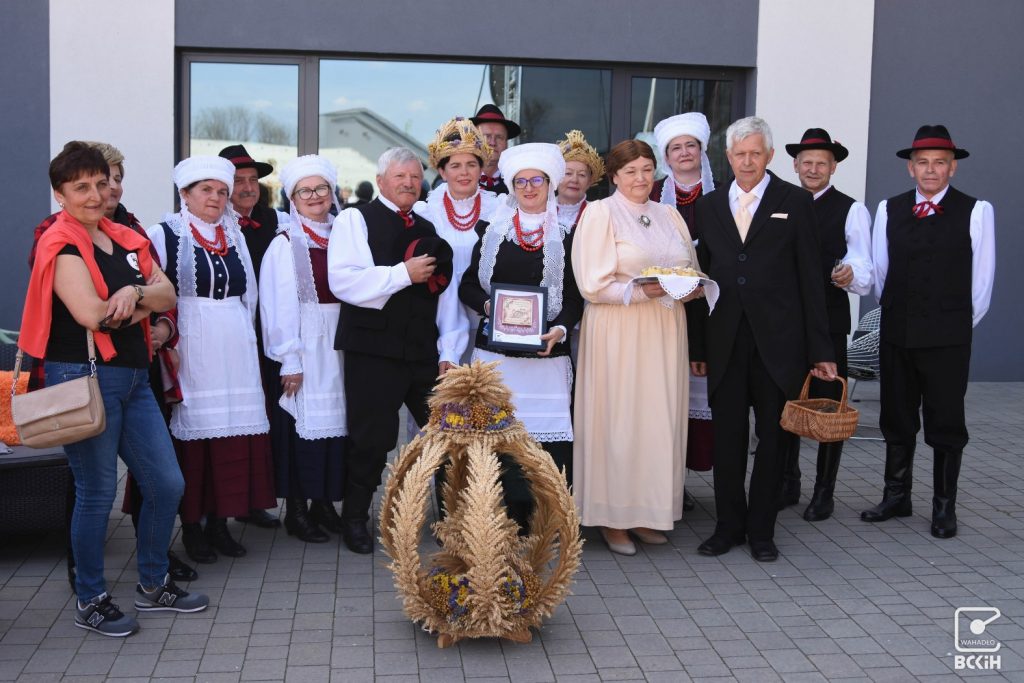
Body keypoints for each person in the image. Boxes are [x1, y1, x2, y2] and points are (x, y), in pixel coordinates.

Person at [20, 142, 207, 636]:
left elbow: (169, 293)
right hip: (82, 379)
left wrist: (135, 294)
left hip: (134, 378)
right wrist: (133, 297)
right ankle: (91, 597)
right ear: (60, 194)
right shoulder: (58, 241)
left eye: (101, 183)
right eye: (80, 186)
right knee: (97, 492)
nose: (94, 194)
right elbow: (93, 315)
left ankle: (152, 583)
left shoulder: (125, 235)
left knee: (166, 482)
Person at [689, 116, 835, 562]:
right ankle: (728, 526)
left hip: (780, 344)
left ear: (770, 156)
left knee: (774, 440)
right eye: (739, 154)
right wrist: (697, 348)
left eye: (755, 153)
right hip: (725, 342)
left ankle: (762, 530)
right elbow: (699, 282)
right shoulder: (710, 205)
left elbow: (812, 280)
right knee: (729, 438)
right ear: (728, 158)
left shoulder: (795, 201)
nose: (747, 161)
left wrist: (820, 351)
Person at [862, 125, 995, 539]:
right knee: (896, 416)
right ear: (910, 168)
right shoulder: (889, 208)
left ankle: (943, 507)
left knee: (945, 420)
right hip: (898, 332)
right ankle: (897, 496)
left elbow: (982, 284)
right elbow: (882, 273)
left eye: (940, 163)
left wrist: (951, 323)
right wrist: (901, 315)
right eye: (923, 162)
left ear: (952, 168)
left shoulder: (977, 211)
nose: (931, 170)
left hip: (948, 337)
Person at [572, 140, 703, 556]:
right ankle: (613, 519)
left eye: (647, 169)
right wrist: (642, 289)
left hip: (665, 327)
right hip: (619, 330)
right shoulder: (600, 213)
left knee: (656, 418)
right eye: (631, 171)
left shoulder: (669, 214)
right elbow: (591, 283)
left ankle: (649, 512)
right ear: (613, 176)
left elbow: (688, 267)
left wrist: (690, 287)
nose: (641, 178)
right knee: (620, 418)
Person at [328, 147, 461, 554]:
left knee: (444, 436)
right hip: (372, 348)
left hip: (420, 349)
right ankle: (355, 518)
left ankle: (453, 522)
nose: (408, 183)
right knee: (371, 438)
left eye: (415, 177)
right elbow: (343, 281)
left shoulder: (428, 222)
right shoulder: (355, 218)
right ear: (382, 179)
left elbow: (444, 293)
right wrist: (403, 274)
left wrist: (447, 347)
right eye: (400, 176)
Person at [147, 155, 276, 563]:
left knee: (232, 435)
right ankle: (193, 527)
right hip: (192, 345)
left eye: (222, 191)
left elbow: (250, 296)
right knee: (196, 438)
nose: (216, 198)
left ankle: (222, 522)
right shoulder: (164, 234)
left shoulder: (234, 234)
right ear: (185, 193)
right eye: (206, 190)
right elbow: (151, 294)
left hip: (234, 344)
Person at [459, 143, 584, 527]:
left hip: (546, 356)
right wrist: (488, 309)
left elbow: (577, 295)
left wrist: (560, 328)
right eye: (521, 181)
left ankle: (547, 519)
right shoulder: (492, 232)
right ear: (512, 186)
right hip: (497, 357)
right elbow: (468, 286)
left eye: (537, 180)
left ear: (551, 185)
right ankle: (504, 518)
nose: (529, 187)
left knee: (548, 440)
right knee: (500, 439)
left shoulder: (568, 236)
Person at [781, 128, 873, 520]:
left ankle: (825, 491)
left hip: (829, 322)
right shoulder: (780, 203)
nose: (813, 169)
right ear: (796, 165)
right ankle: (787, 481)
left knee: (829, 407)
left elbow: (864, 265)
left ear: (833, 167)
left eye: (821, 163)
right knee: (783, 403)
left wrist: (851, 274)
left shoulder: (851, 209)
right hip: (785, 324)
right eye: (807, 162)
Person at [260, 155, 348, 543]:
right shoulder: (285, 244)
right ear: (291, 198)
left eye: (321, 189)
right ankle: (296, 508)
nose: (314, 197)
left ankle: (325, 503)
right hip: (307, 342)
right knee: (302, 429)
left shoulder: (346, 235)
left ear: (333, 193)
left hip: (342, 342)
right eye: (304, 191)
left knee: (337, 428)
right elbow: (276, 305)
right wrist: (288, 358)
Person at [651, 113, 719, 508]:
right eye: (675, 148)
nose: (684, 153)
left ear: (701, 151)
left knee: (700, 398)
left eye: (690, 145)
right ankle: (668, 483)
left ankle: (693, 480)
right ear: (667, 156)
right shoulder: (652, 192)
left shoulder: (722, 195)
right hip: (661, 308)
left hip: (706, 310)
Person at [218, 144, 282, 530]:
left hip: (268, 335)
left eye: (252, 180)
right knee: (232, 424)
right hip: (228, 337)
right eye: (238, 181)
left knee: (263, 422)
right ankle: (224, 507)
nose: (247, 188)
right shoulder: (212, 224)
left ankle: (253, 500)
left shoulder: (276, 221)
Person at [415, 117, 502, 362]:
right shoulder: (426, 211)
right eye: (455, 166)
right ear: (442, 171)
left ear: (481, 168)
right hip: (439, 320)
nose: (464, 172)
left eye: (471, 164)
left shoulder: (499, 209)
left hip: (486, 318)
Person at [555, 130, 604, 232]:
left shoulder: (599, 213)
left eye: (582, 175)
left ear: (589, 181)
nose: (574, 180)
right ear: (556, 177)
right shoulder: (541, 211)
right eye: (568, 173)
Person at [471, 104, 521, 194]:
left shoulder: (519, 185)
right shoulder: (456, 182)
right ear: (473, 141)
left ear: (506, 144)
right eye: (487, 136)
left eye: (499, 137)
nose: (493, 143)